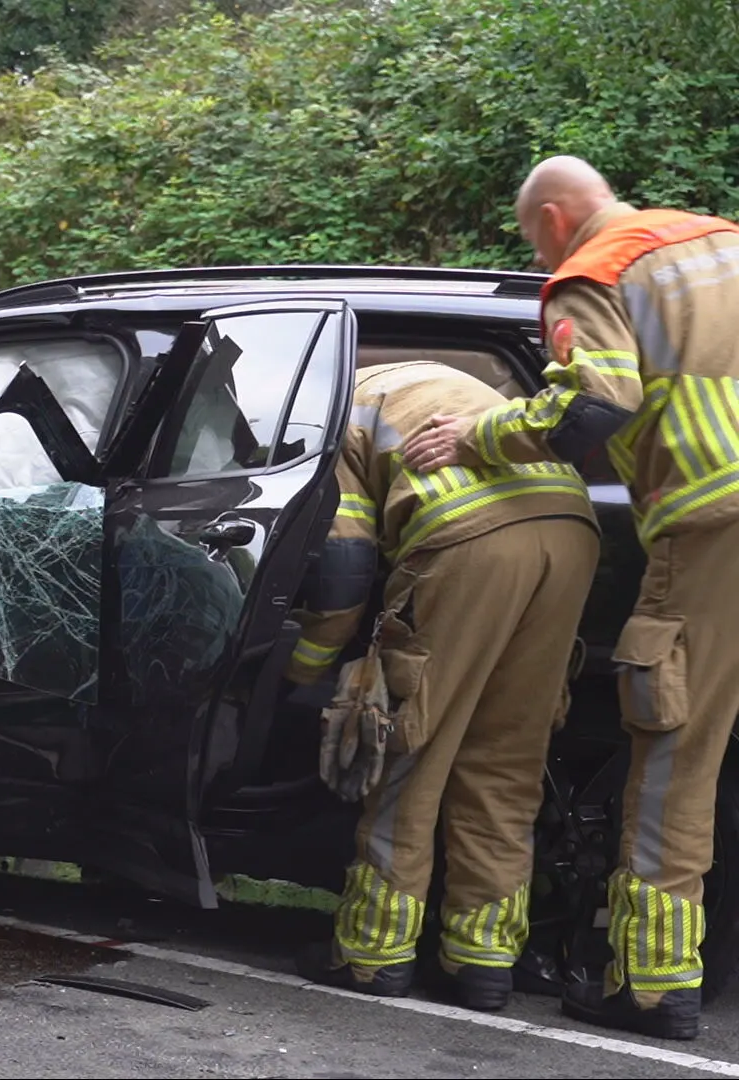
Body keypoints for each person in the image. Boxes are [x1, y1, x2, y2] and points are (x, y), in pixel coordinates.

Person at [402, 155, 739, 1040]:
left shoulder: (597, 271)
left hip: (717, 525)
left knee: (676, 752)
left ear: (553, 219)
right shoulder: (719, 245)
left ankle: (655, 982)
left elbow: (596, 404)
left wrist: (478, 432)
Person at [288, 359, 599, 1012]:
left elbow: (343, 573)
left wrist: (305, 672)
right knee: (509, 757)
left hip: (467, 541)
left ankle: (373, 954)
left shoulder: (332, 417)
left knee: (411, 747)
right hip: (571, 531)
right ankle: (481, 960)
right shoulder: (436, 380)